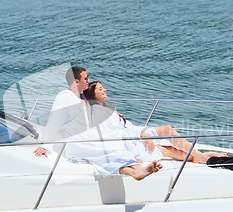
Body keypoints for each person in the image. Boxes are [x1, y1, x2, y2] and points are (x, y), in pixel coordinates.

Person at [33, 67, 162, 180]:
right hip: (77, 141)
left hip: (89, 137)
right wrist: (44, 145)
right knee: (110, 149)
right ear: (76, 81)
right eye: (85, 78)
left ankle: (135, 171)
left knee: (112, 148)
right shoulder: (65, 97)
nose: (88, 80)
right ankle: (136, 169)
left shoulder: (82, 97)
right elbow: (54, 120)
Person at [83, 81, 229, 163]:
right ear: (93, 95)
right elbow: (116, 134)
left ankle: (200, 155)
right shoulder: (99, 113)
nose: (105, 90)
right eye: (101, 89)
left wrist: (143, 133)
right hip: (131, 142)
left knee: (167, 130)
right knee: (170, 150)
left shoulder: (106, 108)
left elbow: (127, 127)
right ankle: (201, 156)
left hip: (137, 135)